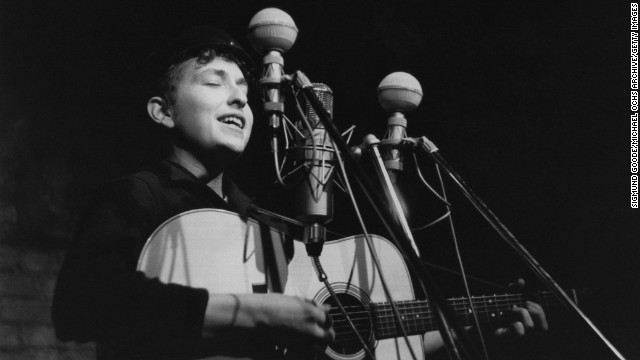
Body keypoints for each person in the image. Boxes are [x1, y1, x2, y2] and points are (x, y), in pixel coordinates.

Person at [52, 25, 547, 360]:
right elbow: (82, 303)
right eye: (213, 82)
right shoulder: (138, 195)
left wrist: (471, 325)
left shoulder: (263, 222)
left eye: (244, 89)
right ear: (162, 111)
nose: (238, 96)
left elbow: (345, 332)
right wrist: (257, 314)